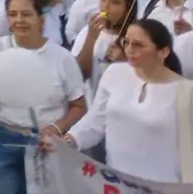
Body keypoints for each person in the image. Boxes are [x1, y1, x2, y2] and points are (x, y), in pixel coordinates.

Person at [0, 0, 86, 194]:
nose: (19, 20)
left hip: (45, 143)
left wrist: (56, 128)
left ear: (41, 20)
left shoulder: (61, 58)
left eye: (26, 14)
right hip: (1, 139)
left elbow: (79, 105)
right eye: (13, 14)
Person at [66, 19, 190, 182]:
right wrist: (70, 139)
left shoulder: (185, 92)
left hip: (163, 185)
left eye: (139, 45)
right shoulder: (114, 73)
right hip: (117, 181)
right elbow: (96, 121)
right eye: (126, 42)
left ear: (163, 51)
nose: (130, 50)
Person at [69, 0, 137, 101]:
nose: (106, 6)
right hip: (93, 104)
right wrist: (91, 38)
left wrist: (125, 61)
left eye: (115, 2)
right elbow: (80, 74)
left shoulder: (135, 37)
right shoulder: (88, 31)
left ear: (128, 10)